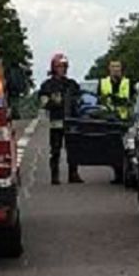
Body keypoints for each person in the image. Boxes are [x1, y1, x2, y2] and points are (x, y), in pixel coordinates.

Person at [38, 52, 83, 185]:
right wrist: (54, 102)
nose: (61, 69)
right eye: (59, 66)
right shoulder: (47, 85)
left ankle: (73, 174)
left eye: (63, 66)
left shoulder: (72, 84)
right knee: (55, 150)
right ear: (53, 68)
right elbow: (43, 102)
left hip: (71, 122)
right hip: (56, 122)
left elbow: (80, 100)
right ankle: (55, 176)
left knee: (73, 149)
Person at [98, 60, 132, 183]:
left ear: (121, 69)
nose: (116, 69)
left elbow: (130, 100)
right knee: (112, 147)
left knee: (125, 147)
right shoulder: (103, 82)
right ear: (109, 69)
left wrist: (116, 99)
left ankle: (125, 172)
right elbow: (99, 101)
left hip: (123, 119)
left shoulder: (127, 82)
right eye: (113, 67)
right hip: (109, 119)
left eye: (118, 67)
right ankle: (117, 174)